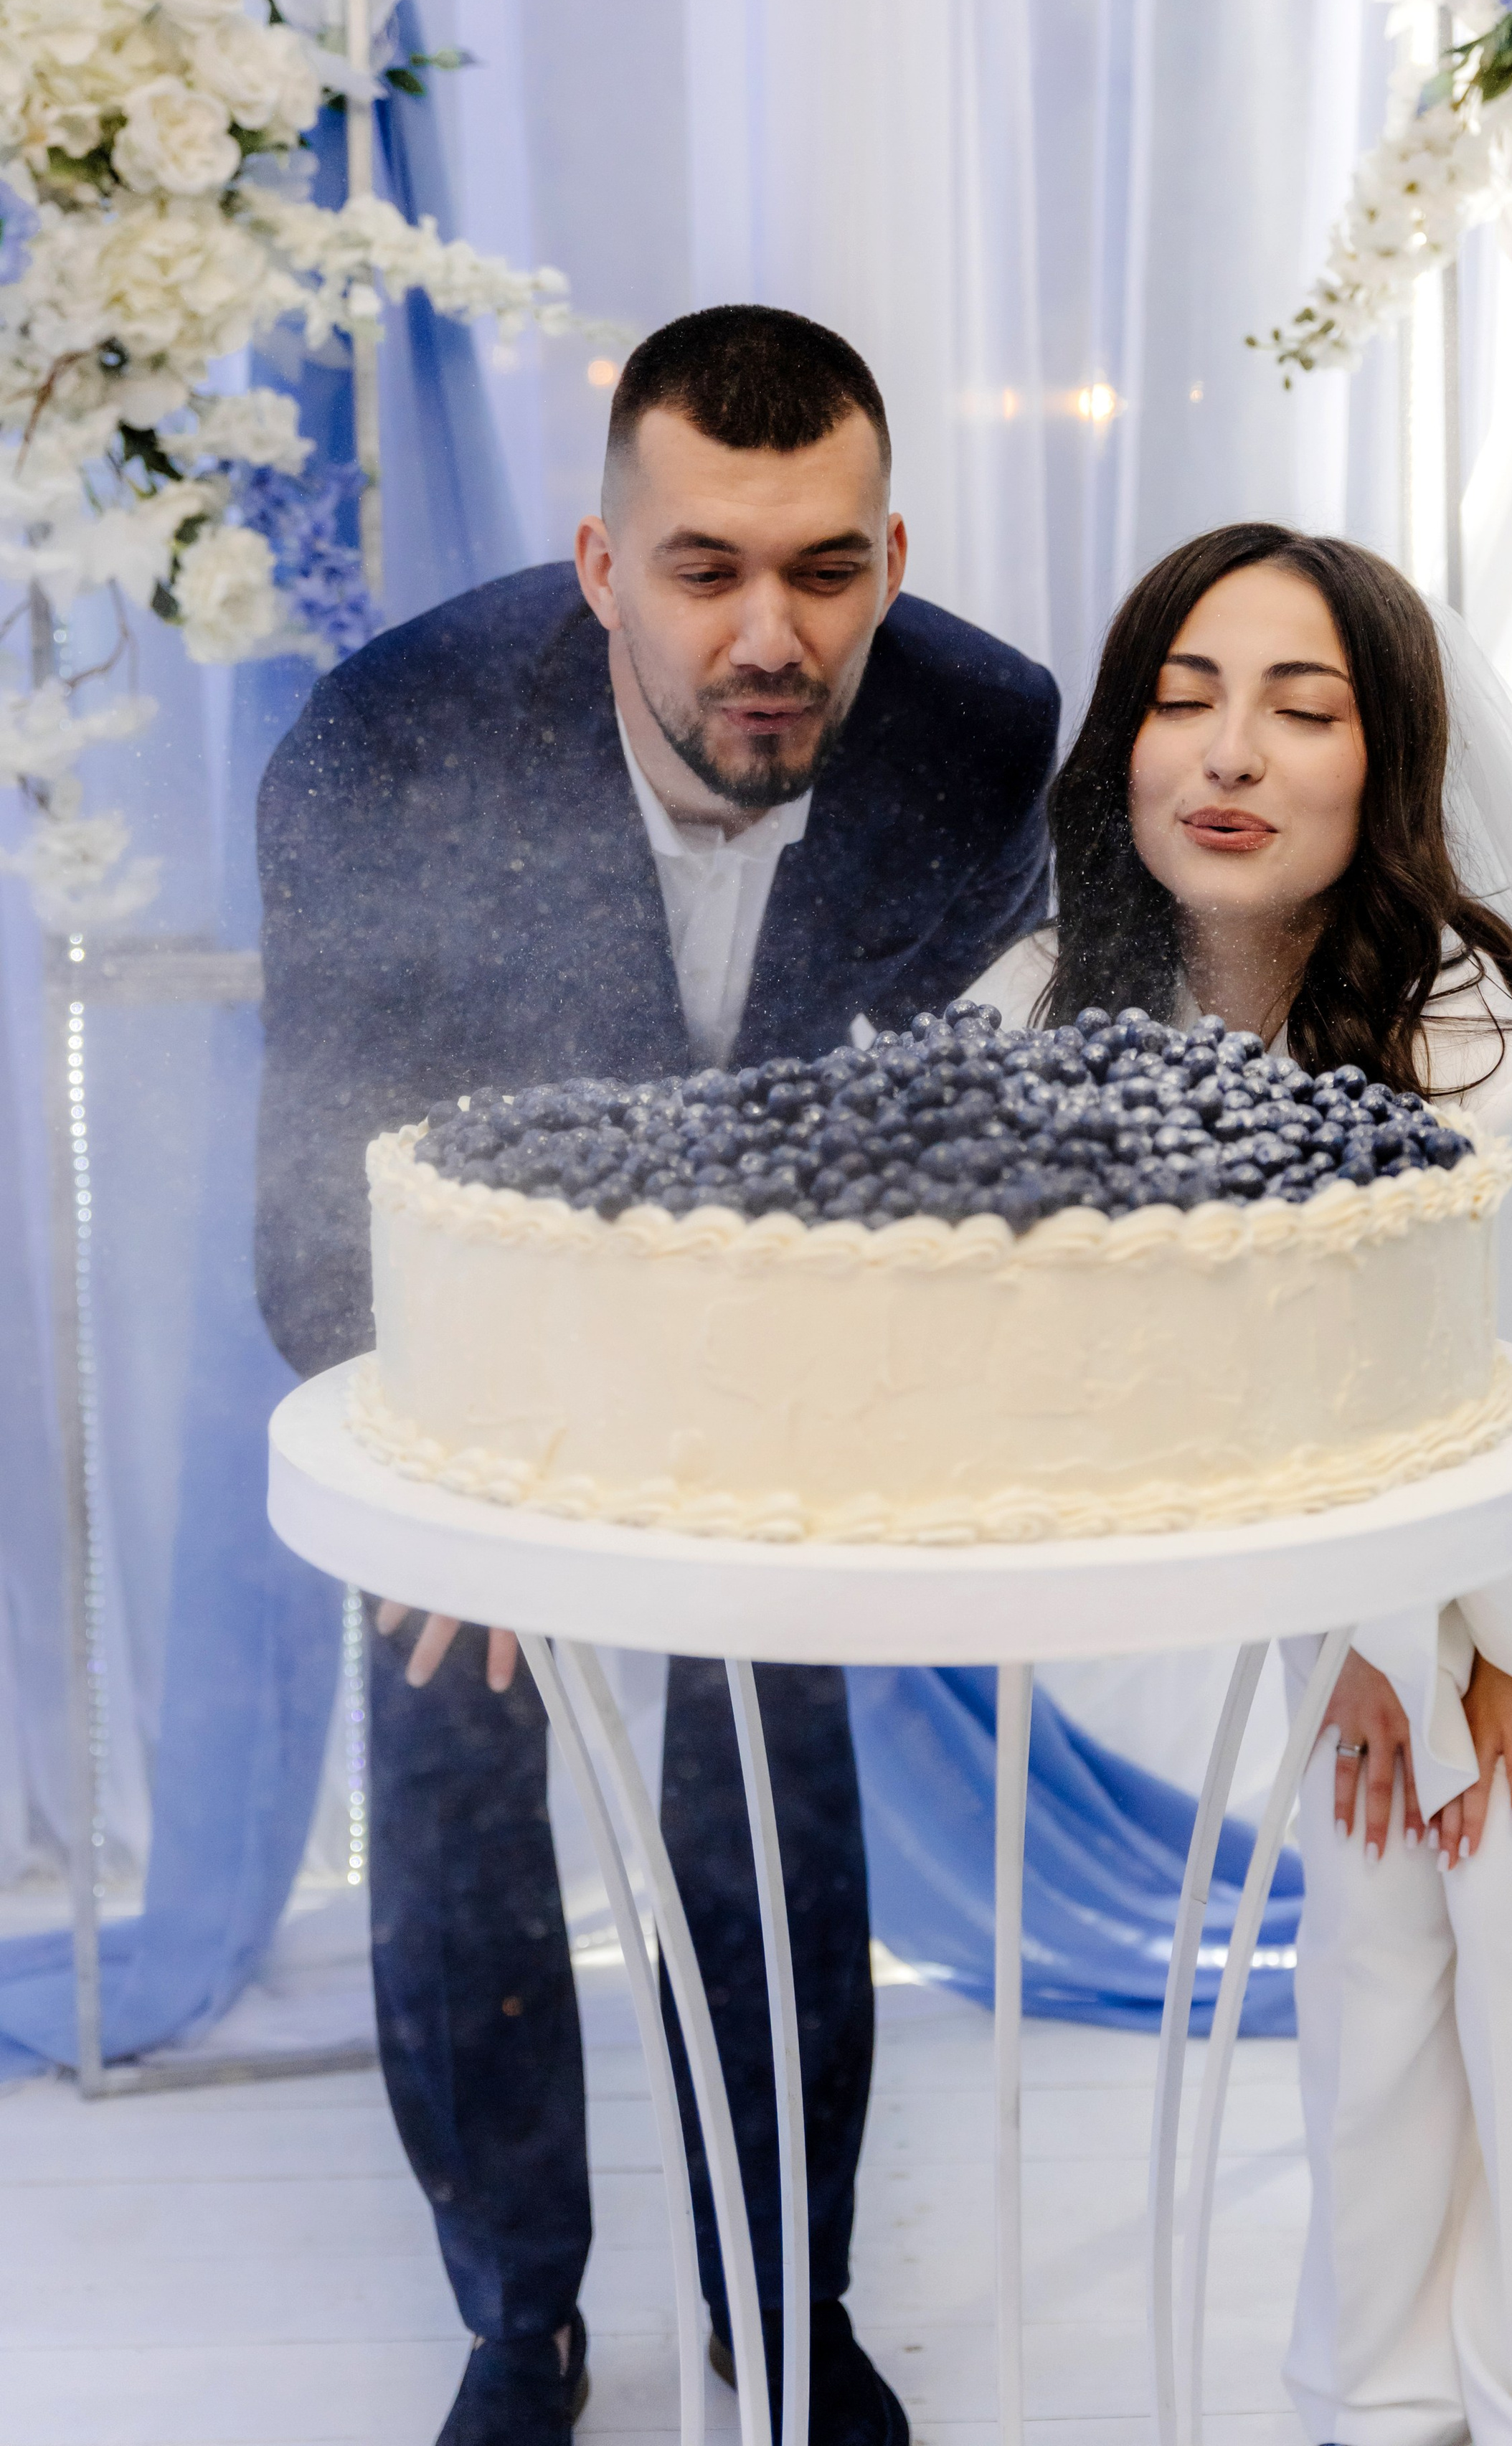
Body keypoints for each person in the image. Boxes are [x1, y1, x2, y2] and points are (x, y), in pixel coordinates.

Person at [255, 303, 1059, 2446]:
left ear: (894, 560)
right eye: (704, 569)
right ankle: (518, 2320)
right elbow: (321, 1178)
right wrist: (451, 1481)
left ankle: (783, 2304)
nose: (768, 636)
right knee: (448, 1734)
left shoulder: (981, 731)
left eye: (824, 570)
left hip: (783, 1330)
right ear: (604, 566)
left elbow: (943, 1116)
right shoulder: (389, 737)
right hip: (476, 1330)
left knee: (776, 1770)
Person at [967, 522, 1512, 2445]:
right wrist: (1370, 1635)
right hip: (1389, 1474)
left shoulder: (1489, 1076)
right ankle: (1383, 2387)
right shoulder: (1056, 1000)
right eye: (1183, 699)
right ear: (1121, 745)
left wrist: (1468, 1656)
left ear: (1391, 766)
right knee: (1368, 1894)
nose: (1232, 754)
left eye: (1304, 709)